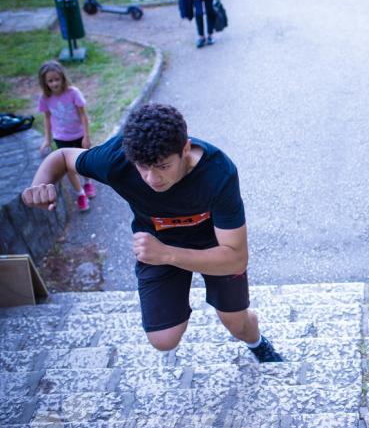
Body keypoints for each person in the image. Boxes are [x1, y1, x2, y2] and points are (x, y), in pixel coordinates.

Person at [21, 103, 283, 363]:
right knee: (163, 339)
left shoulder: (218, 173)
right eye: (142, 167)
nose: (151, 178)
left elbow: (236, 258)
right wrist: (41, 183)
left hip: (213, 246)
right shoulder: (117, 160)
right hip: (157, 245)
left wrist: (168, 254)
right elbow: (64, 156)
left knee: (236, 323)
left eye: (163, 166)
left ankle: (257, 343)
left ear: (185, 149)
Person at [37, 61, 96, 213]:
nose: (54, 83)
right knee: (70, 168)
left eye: (57, 79)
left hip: (79, 135)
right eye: (50, 81)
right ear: (45, 82)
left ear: (63, 78)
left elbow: (83, 115)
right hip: (62, 138)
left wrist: (86, 136)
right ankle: (80, 194)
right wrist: (47, 139)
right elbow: (47, 118)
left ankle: (88, 182)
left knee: (85, 162)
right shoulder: (45, 98)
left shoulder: (73, 93)